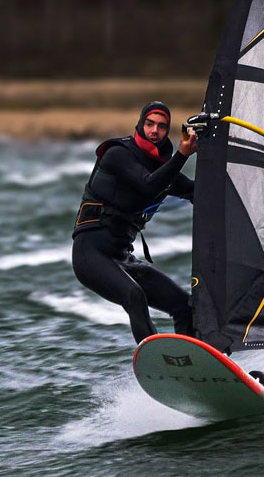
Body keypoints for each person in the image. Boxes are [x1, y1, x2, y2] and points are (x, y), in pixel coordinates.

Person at [72, 101, 197, 344]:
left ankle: (194, 363)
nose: (154, 131)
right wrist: (182, 154)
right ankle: (160, 364)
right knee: (134, 295)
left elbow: (199, 191)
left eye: (162, 127)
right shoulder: (117, 154)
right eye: (149, 124)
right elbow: (147, 184)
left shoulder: (163, 171)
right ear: (139, 125)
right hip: (91, 252)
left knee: (185, 306)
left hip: (123, 256)